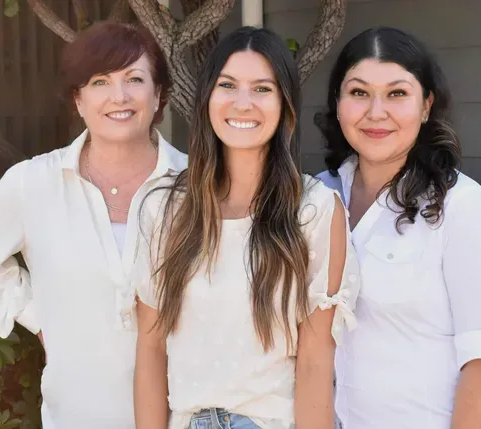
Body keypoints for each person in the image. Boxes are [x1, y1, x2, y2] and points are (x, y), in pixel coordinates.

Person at [0, 21, 187, 429]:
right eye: (100, 81)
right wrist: (36, 317)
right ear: (78, 100)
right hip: (76, 416)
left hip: (184, 417)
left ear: (158, 94)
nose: (119, 96)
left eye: (135, 79)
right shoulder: (35, 182)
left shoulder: (196, 185)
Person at [131, 26, 360, 429]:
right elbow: (150, 349)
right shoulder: (165, 208)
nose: (242, 103)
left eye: (262, 89)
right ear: (207, 100)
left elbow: (314, 364)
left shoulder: (314, 210)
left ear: (286, 105)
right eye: (228, 85)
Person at [315, 27, 481, 429]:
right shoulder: (318, 198)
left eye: (397, 93)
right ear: (338, 104)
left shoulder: (461, 206)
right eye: (358, 93)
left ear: (426, 105)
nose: (376, 112)